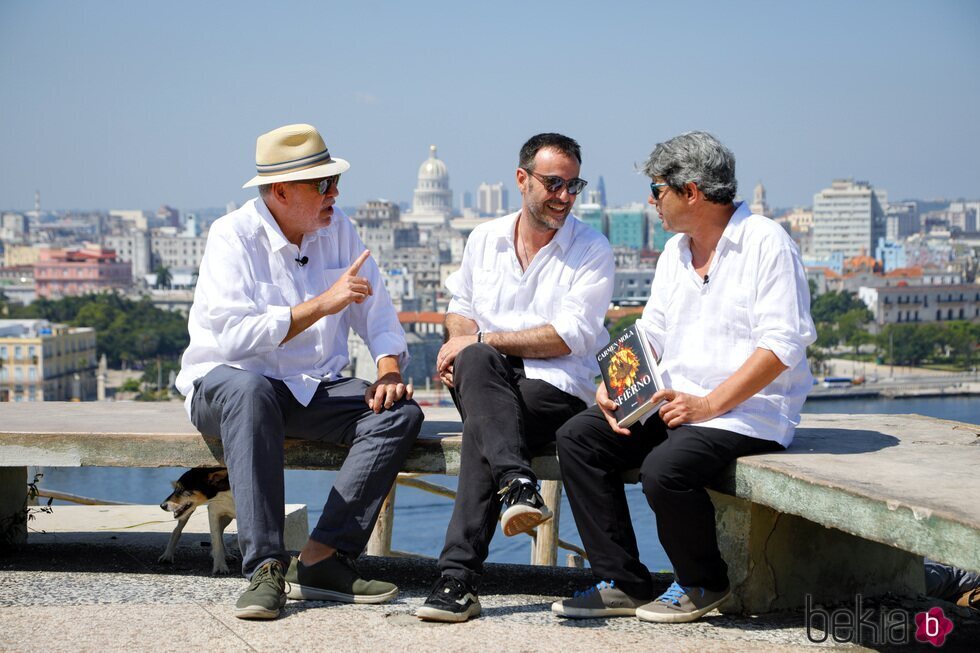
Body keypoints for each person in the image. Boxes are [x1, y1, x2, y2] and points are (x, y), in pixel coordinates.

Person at [552, 131, 816, 624]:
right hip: (676, 402)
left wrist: (709, 405)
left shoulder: (766, 242)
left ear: (690, 190)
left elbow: (783, 346)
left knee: (664, 471)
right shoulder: (676, 252)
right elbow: (651, 331)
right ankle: (623, 581)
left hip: (745, 414)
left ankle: (702, 582)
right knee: (579, 438)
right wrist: (615, 380)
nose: (651, 202)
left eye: (657, 191)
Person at [175, 123, 423, 620]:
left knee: (398, 413)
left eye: (334, 181)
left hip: (311, 388)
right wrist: (320, 305)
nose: (335, 192)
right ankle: (265, 567)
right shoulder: (232, 237)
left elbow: (378, 315)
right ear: (281, 191)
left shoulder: (340, 229)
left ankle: (322, 557)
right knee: (251, 391)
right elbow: (233, 341)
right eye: (323, 184)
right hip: (227, 386)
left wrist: (389, 368)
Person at [415, 133, 615, 622]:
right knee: (482, 369)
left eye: (574, 185)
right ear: (522, 179)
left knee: (486, 428)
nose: (565, 196)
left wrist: (478, 339)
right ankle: (517, 484)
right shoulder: (484, 239)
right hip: (487, 382)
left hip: (558, 387)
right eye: (553, 183)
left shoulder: (591, 248)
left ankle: (455, 579)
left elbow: (567, 338)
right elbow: (459, 313)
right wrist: (465, 342)